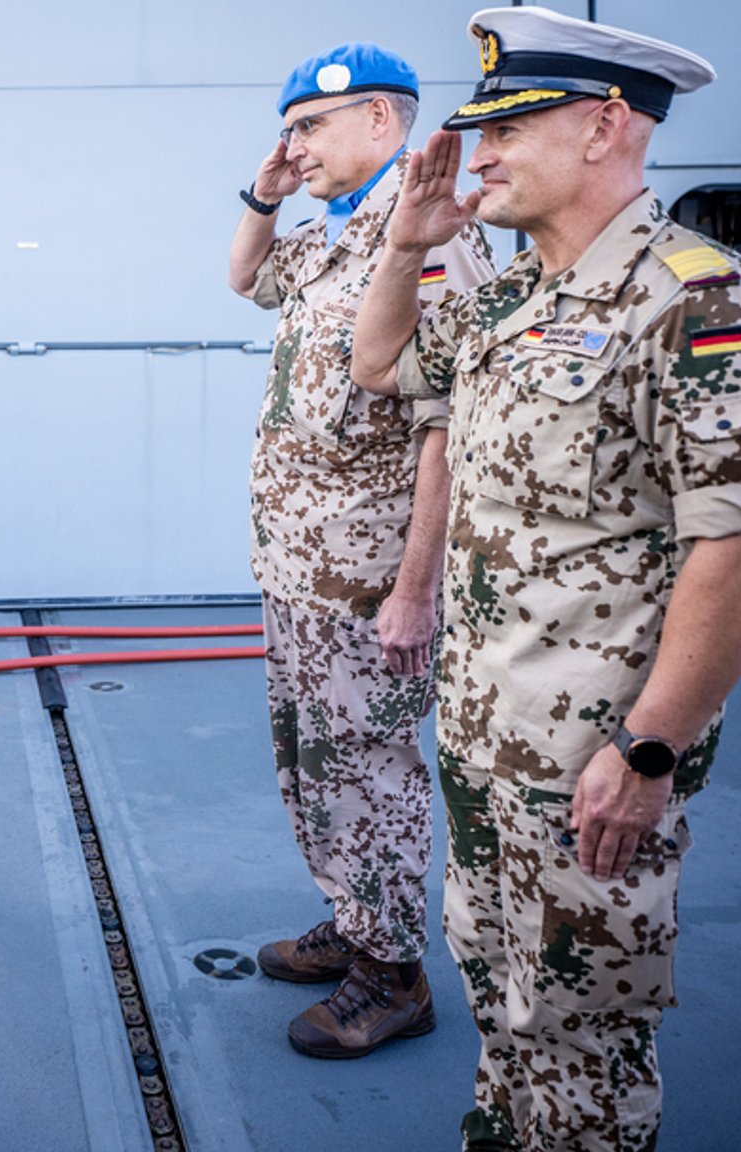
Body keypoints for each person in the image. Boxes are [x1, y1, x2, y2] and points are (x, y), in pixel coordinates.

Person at [348, 8, 741, 1148]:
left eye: (508, 127)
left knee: (581, 1044)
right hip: (481, 736)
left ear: (607, 124)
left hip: (591, 768)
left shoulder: (697, 301)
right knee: (502, 1005)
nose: (483, 155)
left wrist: (649, 748)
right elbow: (376, 363)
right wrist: (406, 239)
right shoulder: (510, 300)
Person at [225, 43, 494, 1058]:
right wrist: (262, 191)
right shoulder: (332, 230)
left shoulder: (429, 238)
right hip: (297, 562)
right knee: (310, 761)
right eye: (287, 129)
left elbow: (445, 427)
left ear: (379, 124)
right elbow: (245, 277)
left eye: (307, 127)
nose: (290, 145)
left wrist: (414, 591)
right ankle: (351, 920)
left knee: (369, 770)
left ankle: (392, 972)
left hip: (370, 577)